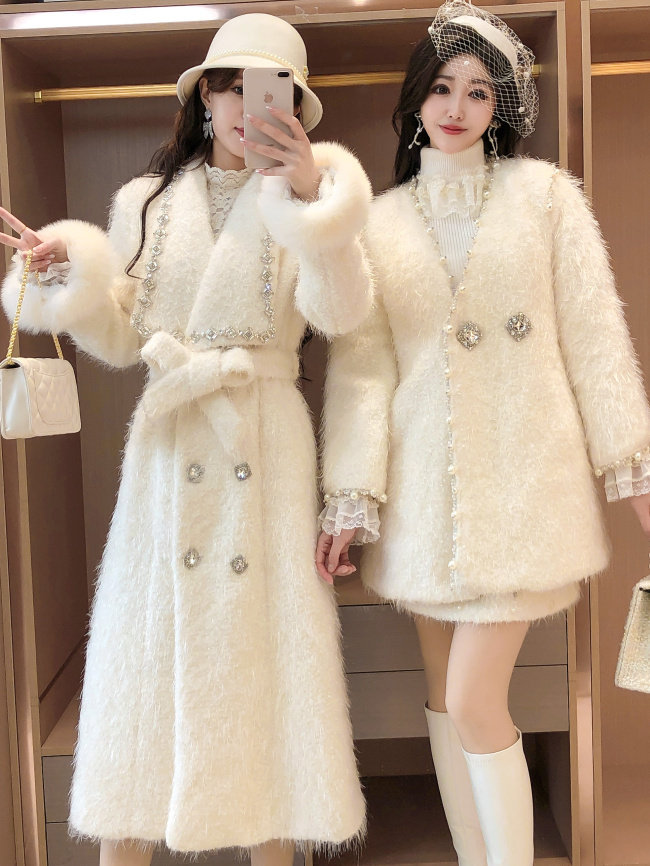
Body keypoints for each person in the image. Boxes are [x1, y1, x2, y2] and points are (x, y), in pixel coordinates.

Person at [1, 13, 371, 866]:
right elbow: (121, 337)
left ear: (297, 108)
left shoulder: (309, 195)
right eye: (231, 86)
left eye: (270, 90)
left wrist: (311, 201)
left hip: (264, 441)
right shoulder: (145, 202)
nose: (247, 106)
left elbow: (343, 311)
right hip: (169, 445)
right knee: (144, 657)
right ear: (205, 96)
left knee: (265, 660)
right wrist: (63, 274)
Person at [316, 2, 650, 863]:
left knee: (472, 701)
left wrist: (635, 472)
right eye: (442, 88)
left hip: (525, 489)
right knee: (443, 696)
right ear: (415, 99)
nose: (457, 107)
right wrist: (350, 496)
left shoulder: (546, 197)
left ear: (502, 106)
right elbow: (363, 371)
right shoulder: (379, 220)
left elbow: (595, 338)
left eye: (478, 91)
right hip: (423, 497)